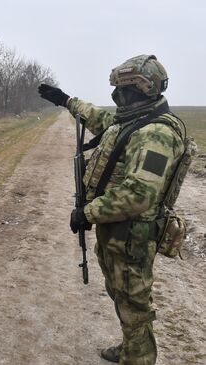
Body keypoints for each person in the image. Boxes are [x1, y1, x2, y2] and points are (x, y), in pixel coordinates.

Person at [39, 55, 186, 365]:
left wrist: (88, 213)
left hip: (133, 234)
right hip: (118, 230)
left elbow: (139, 194)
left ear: (140, 90)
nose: (117, 97)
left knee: (133, 302)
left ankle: (139, 358)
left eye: (122, 91)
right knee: (120, 293)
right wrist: (67, 101)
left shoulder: (155, 135)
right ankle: (132, 347)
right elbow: (103, 122)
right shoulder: (133, 122)